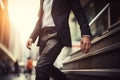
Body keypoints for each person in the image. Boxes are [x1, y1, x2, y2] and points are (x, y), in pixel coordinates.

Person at [26, 0, 92, 80]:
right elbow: (40, 19)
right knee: (47, 66)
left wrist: (86, 34)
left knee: (41, 66)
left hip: (57, 33)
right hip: (43, 35)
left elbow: (78, 11)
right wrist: (32, 37)